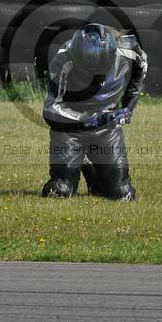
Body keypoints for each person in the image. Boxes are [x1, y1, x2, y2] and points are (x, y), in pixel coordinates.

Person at [42, 23, 147, 201]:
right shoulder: (62, 60)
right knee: (60, 191)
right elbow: (50, 109)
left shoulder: (129, 49)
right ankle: (80, 162)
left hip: (106, 127)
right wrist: (92, 121)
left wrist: (128, 106)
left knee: (122, 193)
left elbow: (141, 70)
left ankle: (92, 170)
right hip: (69, 129)